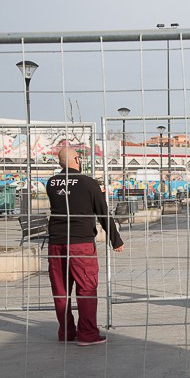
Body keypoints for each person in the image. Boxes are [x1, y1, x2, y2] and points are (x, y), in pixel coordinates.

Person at [46, 147, 125, 346]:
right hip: (80, 243)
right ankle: (87, 334)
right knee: (86, 288)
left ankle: (66, 332)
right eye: (79, 157)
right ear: (75, 159)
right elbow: (103, 212)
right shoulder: (89, 183)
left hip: (56, 243)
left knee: (61, 290)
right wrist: (115, 240)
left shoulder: (51, 183)